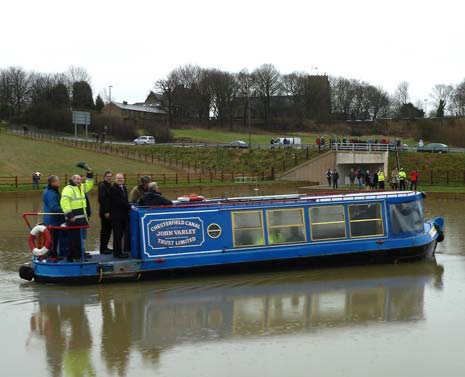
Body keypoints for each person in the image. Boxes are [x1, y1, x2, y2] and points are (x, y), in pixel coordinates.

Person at [60, 167, 94, 262]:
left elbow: (89, 184)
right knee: (75, 240)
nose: (79, 181)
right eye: (77, 179)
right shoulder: (68, 189)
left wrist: (90, 174)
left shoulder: (80, 188)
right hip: (73, 219)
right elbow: (64, 202)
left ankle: (73, 257)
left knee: (77, 239)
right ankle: (77, 258)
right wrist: (70, 215)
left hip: (81, 219)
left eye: (80, 179)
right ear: (72, 180)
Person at [42, 175, 65, 259]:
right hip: (53, 220)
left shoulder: (51, 191)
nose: (59, 183)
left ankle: (53, 254)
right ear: (53, 183)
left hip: (52, 219)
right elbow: (54, 207)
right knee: (53, 238)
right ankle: (53, 255)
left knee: (54, 238)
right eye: (58, 181)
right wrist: (66, 211)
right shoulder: (50, 193)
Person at [110, 173, 132, 259]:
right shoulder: (113, 189)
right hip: (116, 216)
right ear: (115, 179)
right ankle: (117, 253)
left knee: (121, 234)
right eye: (118, 179)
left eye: (121, 179)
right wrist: (129, 206)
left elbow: (125, 200)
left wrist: (128, 205)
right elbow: (119, 201)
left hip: (123, 216)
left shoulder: (123, 187)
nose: (120, 180)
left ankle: (120, 251)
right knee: (117, 235)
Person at [98, 170, 113, 254]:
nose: (109, 178)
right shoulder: (102, 186)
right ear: (104, 177)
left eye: (111, 176)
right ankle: (102, 249)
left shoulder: (110, 186)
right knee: (104, 231)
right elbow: (102, 200)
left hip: (110, 212)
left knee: (108, 230)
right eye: (108, 176)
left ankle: (105, 247)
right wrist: (106, 211)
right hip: (105, 213)